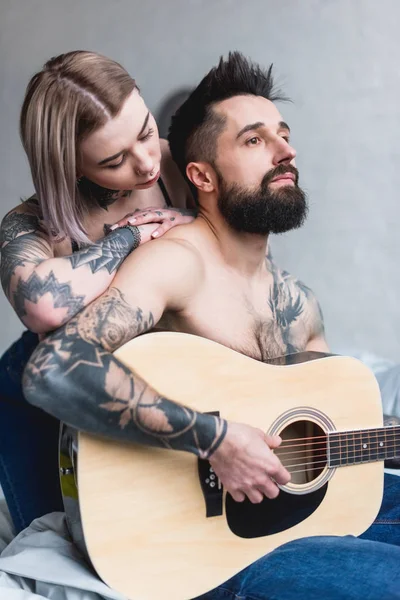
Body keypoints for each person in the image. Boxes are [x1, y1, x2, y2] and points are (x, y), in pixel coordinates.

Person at [23, 52, 400, 599]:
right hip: (202, 546)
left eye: (284, 135)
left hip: (287, 520)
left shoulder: (300, 303)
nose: (285, 151)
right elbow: (51, 371)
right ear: (198, 174)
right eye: (254, 141)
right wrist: (217, 440)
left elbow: (334, 431)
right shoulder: (177, 262)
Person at [0, 50, 196, 533]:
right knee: (59, 541)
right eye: (114, 160)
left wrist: (190, 225)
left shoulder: (180, 164)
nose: (147, 161)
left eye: (147, 131)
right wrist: (132, 235)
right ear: (71, 167)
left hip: (152, 382)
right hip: (40, 397)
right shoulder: (30, 223)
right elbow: (44, 306)